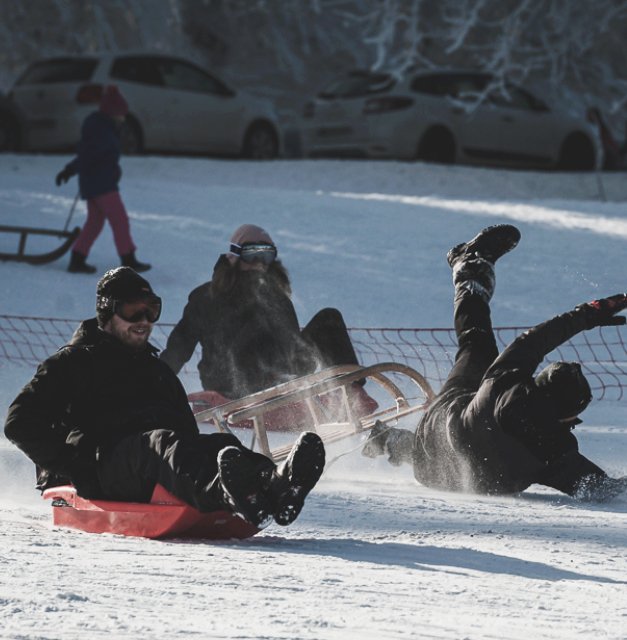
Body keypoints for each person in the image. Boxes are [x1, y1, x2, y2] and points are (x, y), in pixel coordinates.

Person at [5, 267, 326, 529]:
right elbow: (20, 422)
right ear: (107, 311)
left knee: (216, 444)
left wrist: (202, 450)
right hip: (101, 462)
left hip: (151, 461)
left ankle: (274, 486)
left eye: (152, 310)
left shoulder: (156, 371)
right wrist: (72, 464)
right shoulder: (72, 363)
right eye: (133, 310)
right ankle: (228, 493)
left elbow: (185, 433)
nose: (144, 321)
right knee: (158, 443)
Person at [361, 224, 627, 501]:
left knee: (476, 343)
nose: (576, 420)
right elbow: (605, 490)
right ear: (556, 410)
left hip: (439, 430)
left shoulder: (503, 382)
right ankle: (389, 440)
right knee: (460, 449)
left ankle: (469, 267)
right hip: (436, 474)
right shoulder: (554, 454)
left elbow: (533, 342)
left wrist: (586, 314)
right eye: (573, 413)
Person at [159, 224, 365, 401]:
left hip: (282, 377)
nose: (259, 262)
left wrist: (293, 370)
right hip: (230, 382)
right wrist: (154, 385)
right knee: (256, 311)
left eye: (266, 255)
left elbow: (292, 343)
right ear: (235, 256)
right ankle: (277, 382)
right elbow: (179, 348)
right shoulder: (205, 296)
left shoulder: (275, 296)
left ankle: (353, 393)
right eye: (252, 254)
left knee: (329, 318)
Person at [55, 84, 150, 274]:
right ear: (113, 113)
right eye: (122, 114)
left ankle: (77, 259)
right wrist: (70, 169)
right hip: (102, 185)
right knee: (119, 220)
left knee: (95, 222)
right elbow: (90, 156)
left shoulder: (103, 128)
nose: (124, 117)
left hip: (95, 183)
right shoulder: (103, 132)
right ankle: (128, 259)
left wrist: (114, 170)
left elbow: (100, 158)